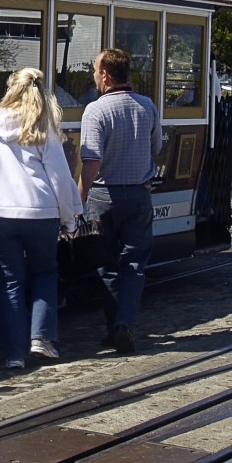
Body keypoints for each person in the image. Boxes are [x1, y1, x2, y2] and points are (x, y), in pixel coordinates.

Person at [0, 68, 79, 368]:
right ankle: (41, 338)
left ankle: (14, 355)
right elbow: (59, 178)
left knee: (9, 281)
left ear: (10, 90)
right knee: (44, 273)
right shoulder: (44, 126)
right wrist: (69, 218)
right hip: (40, 212)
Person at [79, 48, 164, 354]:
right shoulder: (147, 106)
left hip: (104, 196)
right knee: (134, 265)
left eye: (94, 70)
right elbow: (156, 147)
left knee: (106, 265)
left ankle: (116, 325)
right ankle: (123, 325)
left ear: (105, 75)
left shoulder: (96, 110)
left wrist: (80, 197)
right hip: (139, 195)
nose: (93, 75)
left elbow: (91, 160)